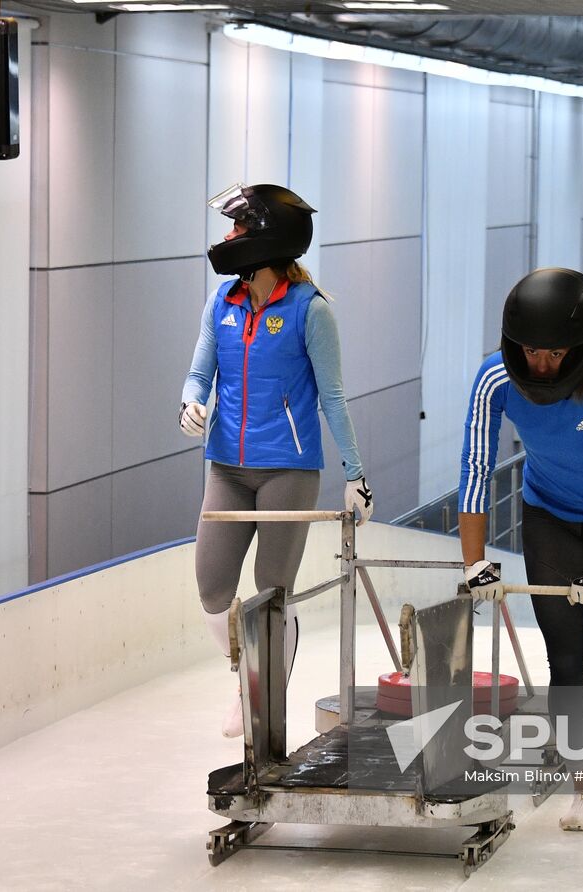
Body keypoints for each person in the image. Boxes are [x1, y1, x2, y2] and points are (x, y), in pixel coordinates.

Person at [456, 267, 583, 831]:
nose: (541, 365)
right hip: (549, 518)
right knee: (565, 664)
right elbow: (476, 468)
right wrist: (475, 561)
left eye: (555, 354)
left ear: (579, 348)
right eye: (532, 352)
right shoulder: (494, 379)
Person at [181, 182, 374, 738]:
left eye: (239, 229)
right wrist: (190, 400)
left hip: (288, 469)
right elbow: (200, 371)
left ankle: (259, 693)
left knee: (271, 590)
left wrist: (356, 476)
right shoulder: (223, 301)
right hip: (227, 467)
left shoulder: (311, 312)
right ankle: (245, 672)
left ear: (267, 241)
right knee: (213, 589)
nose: (228, 238)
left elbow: (333, 399)